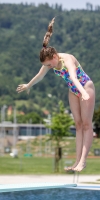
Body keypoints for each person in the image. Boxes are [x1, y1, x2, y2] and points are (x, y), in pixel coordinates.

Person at [16, 17, 95, 172]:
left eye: (48, 64)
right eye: (46, 65)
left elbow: (73, 77)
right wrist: (28, 85)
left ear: (54, 57)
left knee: (86, 124)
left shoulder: (68, 59)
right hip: (73, 91)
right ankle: (76, 161)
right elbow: (39, 76)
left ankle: (83, 161)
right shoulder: (50, 62)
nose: (48, 67)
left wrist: (84, 92)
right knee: (78, 125)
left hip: (85, 87)